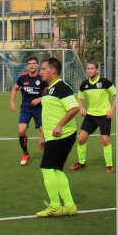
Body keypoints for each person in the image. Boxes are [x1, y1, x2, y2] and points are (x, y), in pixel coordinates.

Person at [35, 56, 83, 217]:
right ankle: (69, 205)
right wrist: (42, 135)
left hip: (62, 135)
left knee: (46, 168)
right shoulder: (49, 88)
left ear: (53, 70)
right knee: (56, 170)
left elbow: (74, 108)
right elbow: (48, 113)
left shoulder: (62, 87)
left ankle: (55, 205)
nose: (41, 72)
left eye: (43, 69)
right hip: (52, 136)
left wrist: (59, 125)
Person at [70, 61, 116, 173]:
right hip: (90, 116)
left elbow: (116, 95)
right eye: (88, 69)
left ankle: (109, 165)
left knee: (105, 141)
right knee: (81, 140)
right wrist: (81, 108)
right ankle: (81, 162)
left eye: (92, 69)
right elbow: (79, 99)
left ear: (97, 70)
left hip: (104, 116)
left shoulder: (105, 82)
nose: (89, 71)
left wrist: (111, 110)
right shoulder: (84, 84)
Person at [9, 56, 46, 165]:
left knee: (44, 131)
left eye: (33, 63)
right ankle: (25, 153)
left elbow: (49, 93)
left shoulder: (42, 78)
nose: (31, 65)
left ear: (37, 65)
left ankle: (48, 153)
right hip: (26, 109)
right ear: (27, 66)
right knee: (21, 131)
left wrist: (40, 99)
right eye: (29, 64)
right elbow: (15, 89)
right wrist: (12, 102)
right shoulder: (22, 78)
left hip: (39, 109)